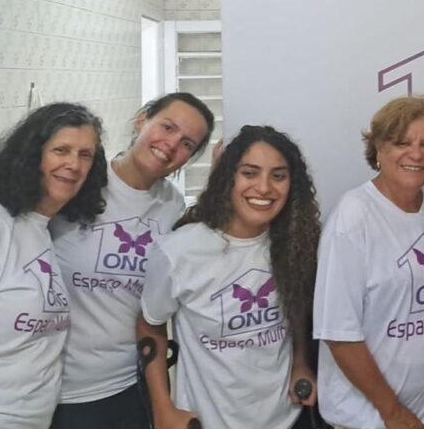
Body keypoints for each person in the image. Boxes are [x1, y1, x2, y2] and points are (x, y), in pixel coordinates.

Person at [137, 125, 321, 429]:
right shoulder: (179, 251)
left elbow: (296, 306)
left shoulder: (294, 243)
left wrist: (301, 362)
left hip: (288, 418)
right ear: (228, 178)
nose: (264, 188)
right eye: (249, 173)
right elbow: (149, 326)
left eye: (278, 176)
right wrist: (162, 407)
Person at [50, 92, 214, 429]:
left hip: (131, 385)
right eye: (167, 127)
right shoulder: (79, 183)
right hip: (59, 389)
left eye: (187, 143)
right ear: (142, 120)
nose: (171, 144)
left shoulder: (172, 206)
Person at [314, 96, 424, 429]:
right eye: (402, 143)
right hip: (373, 420)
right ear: (378, 148)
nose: (416, 154)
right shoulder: (352, 217)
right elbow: (339, 335)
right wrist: (392, 412)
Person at [0, 103, 108, 428]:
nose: (73, 164)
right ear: (32, 154)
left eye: (85, 155)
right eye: (61, 150)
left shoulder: (42, 227)